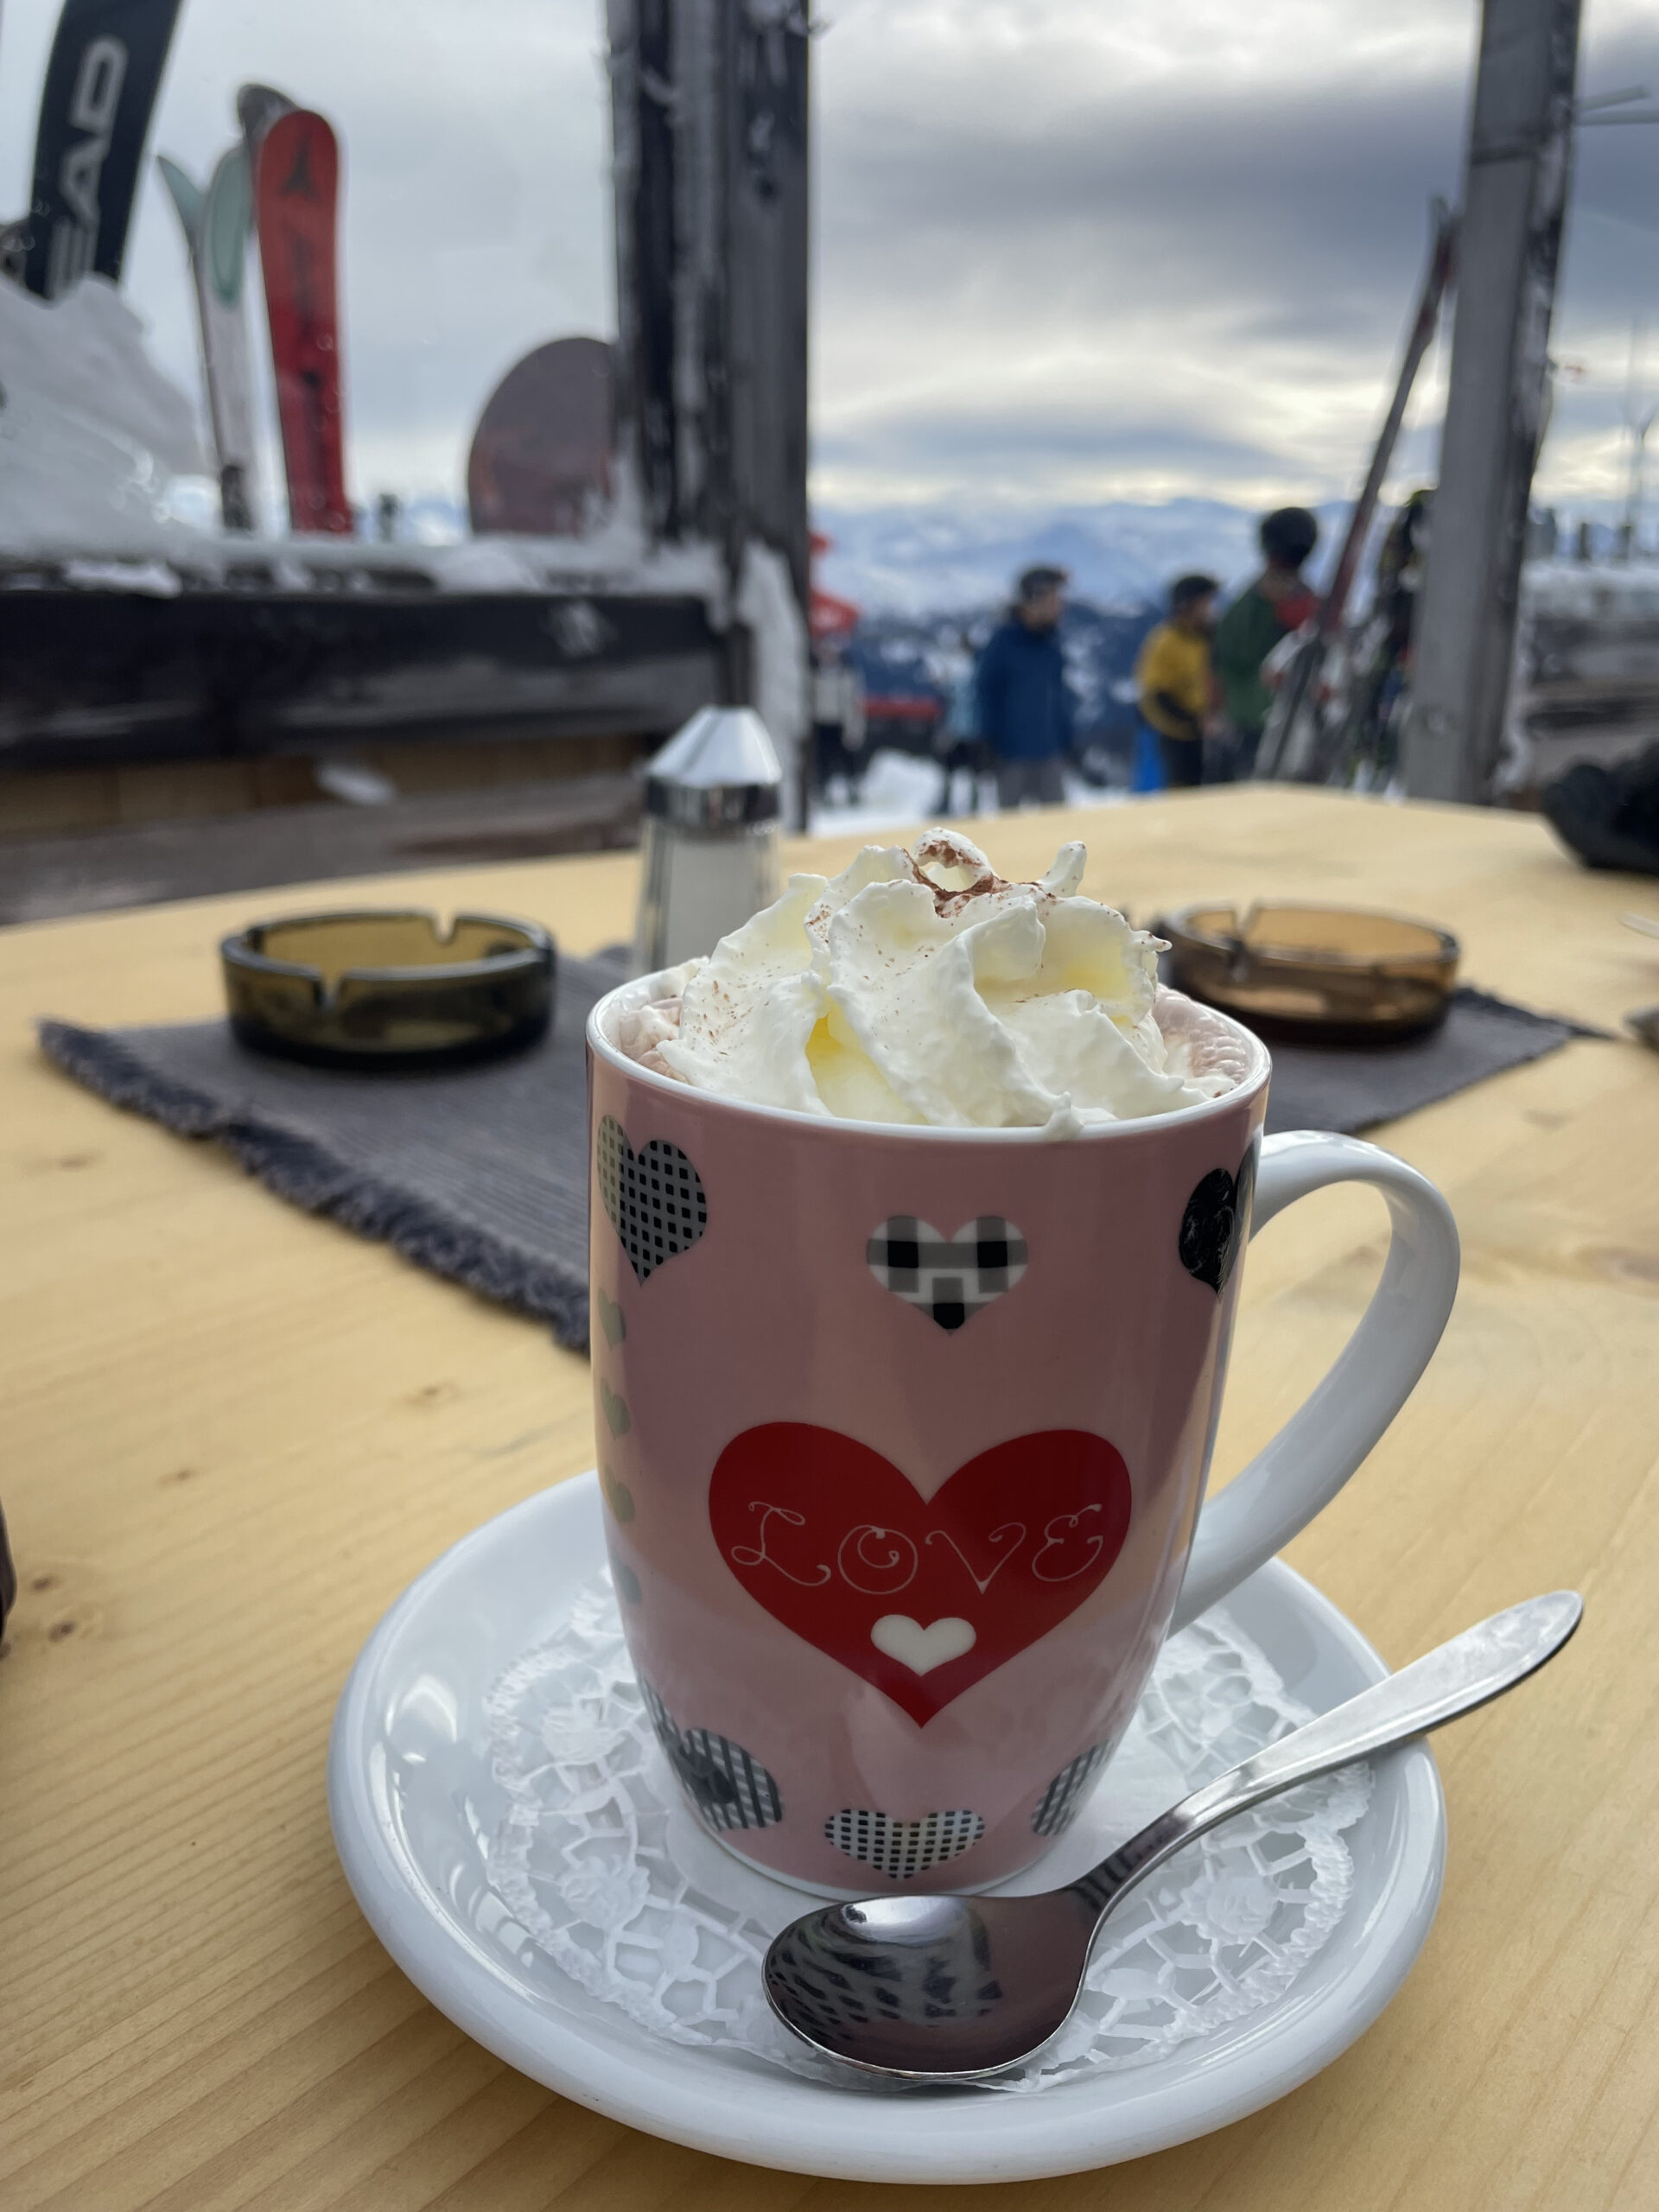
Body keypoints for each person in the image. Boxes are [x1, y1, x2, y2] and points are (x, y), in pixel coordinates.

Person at [1211, 505, 1320, 779]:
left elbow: (1220, 663)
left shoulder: (1246, 605)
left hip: (1251, 725)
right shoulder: (1306, 603)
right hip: (1271, 727)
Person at [976, 566, 1077, 809]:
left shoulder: (1051, 644)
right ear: (1033, 600)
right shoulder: (1002, 643)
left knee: (1059, 831)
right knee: (1011, 829)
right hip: (1011, 755)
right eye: (1053, 598)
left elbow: (1058, 698)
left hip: (1049, 752)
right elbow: (986, 694)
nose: (1059, 606)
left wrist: (1067, 740)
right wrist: (987, 740)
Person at [1135, 573, 1220, 789]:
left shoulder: (1207, 638)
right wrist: (1193, 722)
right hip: (1175, 741)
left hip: (1207, 737)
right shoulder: (1164, 642)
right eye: (1206, 603)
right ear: (1188, 606)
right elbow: (1154, 697)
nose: (1211, 610)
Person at [810, 635, 868, 803]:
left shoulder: (846, 674)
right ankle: (823, 791)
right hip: (821, 722)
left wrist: (855, 727)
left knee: (847, 758)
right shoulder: (815, 673)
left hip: (840, 723)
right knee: (823, 761)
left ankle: (853, 789)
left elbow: (854, 703)